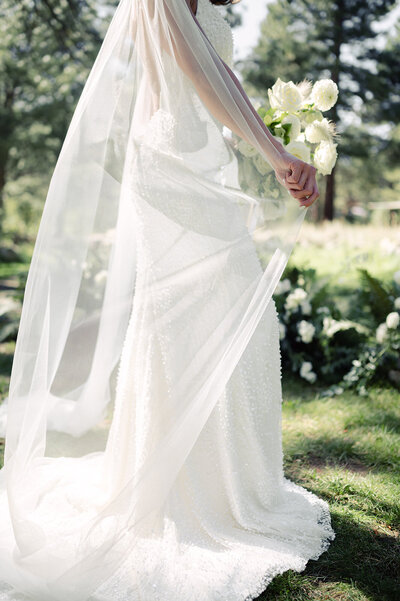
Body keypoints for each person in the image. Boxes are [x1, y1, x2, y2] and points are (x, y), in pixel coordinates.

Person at [0, 1, 335, 599]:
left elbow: (223, 75)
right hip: (170, 165)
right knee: (192, 319)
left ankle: (231, 482)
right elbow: (199, 76)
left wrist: (264, 138)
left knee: (230, 313)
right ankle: (180, 492)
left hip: (203, 160)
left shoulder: (204, 3)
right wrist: (276, 155)